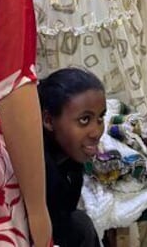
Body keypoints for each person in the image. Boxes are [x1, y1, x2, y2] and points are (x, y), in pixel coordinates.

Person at [39, 68, 107, 247]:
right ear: (48, 120)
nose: (96, 132)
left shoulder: (69, 160)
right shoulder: (38, 173)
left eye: (100, 118)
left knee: (81, 225)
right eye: (84, 120)